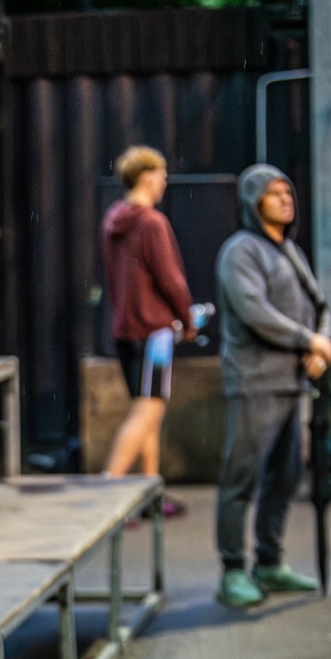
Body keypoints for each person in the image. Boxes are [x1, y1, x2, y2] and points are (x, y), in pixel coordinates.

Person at [215, 164, 331, 608]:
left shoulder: (289, 250)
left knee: (286, 475)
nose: (286, 199)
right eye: (274, 193)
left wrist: (321, 347)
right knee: (242, 476)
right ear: (253, 201)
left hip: (291, 381)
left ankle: (269, 561)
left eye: (288, 192)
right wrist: (308, 340)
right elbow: (254, 311)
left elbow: (321, 305)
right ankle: (232, 569)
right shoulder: (241, 251)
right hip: (255, 379)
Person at [101, 146, 196, 510]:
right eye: (161, 174)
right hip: (154, 332)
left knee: (146, 413)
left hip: (124, 331)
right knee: (148, 413)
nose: (165, 181)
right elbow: (171, 280)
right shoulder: (152, 223)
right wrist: (187, 319)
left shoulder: (113, 220)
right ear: (145, 177)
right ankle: (106, 493)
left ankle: (150, 493)